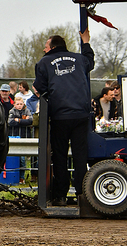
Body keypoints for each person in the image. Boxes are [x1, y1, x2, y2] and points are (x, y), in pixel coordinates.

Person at [33, 28, 94, 207]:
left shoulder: (44, 63)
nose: (44, 49)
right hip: (81, 115)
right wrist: (86, 42)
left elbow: (40, 89)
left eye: (45, 46)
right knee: (80, 156)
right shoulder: (79, 59)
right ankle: (83, 196)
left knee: (59, 156)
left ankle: (60, 195)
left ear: (52, 47)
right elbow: (90, 61)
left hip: (60, 116)